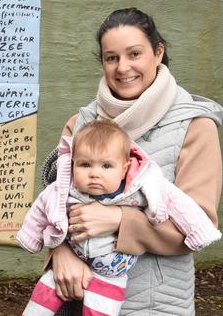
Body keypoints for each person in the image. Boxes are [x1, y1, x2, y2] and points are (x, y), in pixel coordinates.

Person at [41, 7, 223, 315]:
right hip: (78, 296)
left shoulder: (193, 126)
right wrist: (59, 252)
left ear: (158, 52)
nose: (123, 68)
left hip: (154, 303)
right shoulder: (80, 123)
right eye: (112, 58)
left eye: (134, 54)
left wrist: (120, 220)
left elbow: (198, 225)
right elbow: (53, 203)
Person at [18, 120, 221, 315]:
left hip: (115, 275)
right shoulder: (65, 185)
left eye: (106, 166)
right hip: (72, 272)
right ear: (72, 165)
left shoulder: (141, 186)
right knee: (40, 301)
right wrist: (56, 247)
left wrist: (121, 219)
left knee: (101, 308)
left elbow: (182, 206)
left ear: (125, 168)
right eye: (85, 165)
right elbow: (43, 211)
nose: (94, 174)